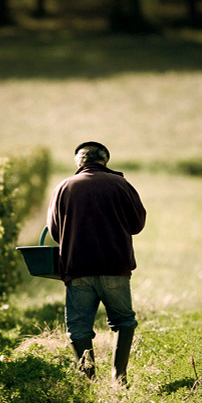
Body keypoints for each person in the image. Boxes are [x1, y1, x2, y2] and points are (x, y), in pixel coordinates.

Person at [46, 141, 146, 383]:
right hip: (115, 267)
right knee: (124, 322)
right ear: (105, 160)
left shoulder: (64, 187)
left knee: (78, 330)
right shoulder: (122, 184)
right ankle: (118, 377)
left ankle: (89, 379)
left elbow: (54, 231)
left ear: (79, 162)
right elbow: (137, 224)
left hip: (77, 269)